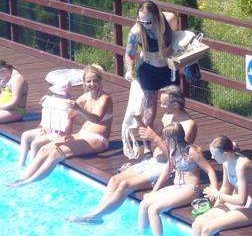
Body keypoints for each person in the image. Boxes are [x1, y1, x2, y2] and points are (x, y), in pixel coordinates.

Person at [66, 85, 197, 224]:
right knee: (114, 180)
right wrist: (139, 121)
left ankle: (95, 215)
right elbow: (154, 137)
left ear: (175, 104)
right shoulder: (168, 116)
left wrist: (155, 138)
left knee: (125, 185)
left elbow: (178, 158)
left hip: (168, 168)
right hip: (154, 161)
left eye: (164, 103)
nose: (161, 106)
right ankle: (98, 213)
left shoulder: (189, 125)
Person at [7, 64, 113, 187]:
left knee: (56, 153)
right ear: (84, 82)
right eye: (89, 81)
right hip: (82, 135)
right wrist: (49, 101)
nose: (92, 84)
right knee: (44, 149)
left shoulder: (105, 98)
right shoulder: (85, 97)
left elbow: (96, 119)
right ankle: (23, 177)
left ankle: (28, 182)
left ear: (100, 81)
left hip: (98, 139)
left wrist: (79, 109)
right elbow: (66, 112)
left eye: (95, 81)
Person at [138, 122, 217, 236]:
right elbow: (167, 170)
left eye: (166, 138)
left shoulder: (192, 151)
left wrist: (214, 191)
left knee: (154, 210)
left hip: (190, 189)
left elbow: (209, 170)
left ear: (172, 139)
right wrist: (154, 191)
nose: (164, 140)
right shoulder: (172, 150)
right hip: (177, 187)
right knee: (144, 204)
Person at [190, 136, 252, 236]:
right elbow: (226, 188)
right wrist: (215, 208)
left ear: (225, 153)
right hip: (232, 204)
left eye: (214, 154)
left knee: (207, 229)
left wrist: (216, 194)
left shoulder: (242, 166)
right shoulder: (226, 162)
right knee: (197, 224)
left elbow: (242, 200)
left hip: (250, 208)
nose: (212, 157)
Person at [124, 1, 178, 155]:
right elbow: (129, 54)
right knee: (149, 112)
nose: (145, 24)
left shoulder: (169, 19)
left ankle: (174, 144)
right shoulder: (137, 31)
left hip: (168, 69)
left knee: (175, 107)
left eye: (148, 21)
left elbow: (177, 40)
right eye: (141, 20)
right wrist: (129, 70)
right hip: (148, 69)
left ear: (156, 17)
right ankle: (147, 147)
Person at [17, 76, 74, 169]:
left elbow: (66, 130)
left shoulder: (69, 109)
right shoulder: (51, 104)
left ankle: (33, 167)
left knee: (35, 144)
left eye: (57, 94)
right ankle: (21, 163)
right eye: (54, 94)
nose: (54, 96)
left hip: (59, 135)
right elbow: (45, 121)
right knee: (25, 135)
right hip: (48, 130)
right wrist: (42, 128)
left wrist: (49, 132)